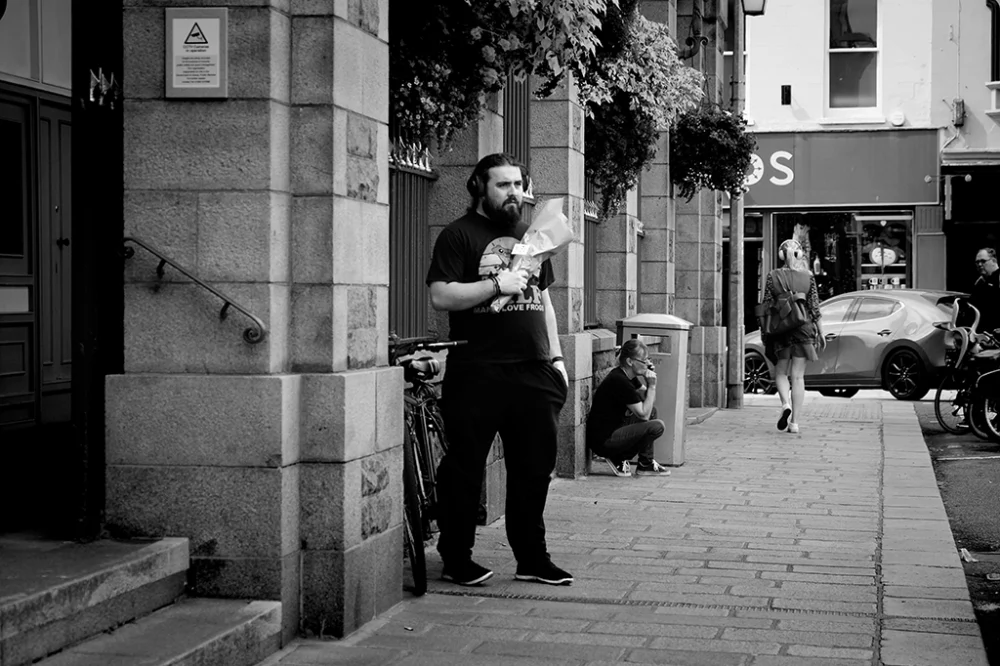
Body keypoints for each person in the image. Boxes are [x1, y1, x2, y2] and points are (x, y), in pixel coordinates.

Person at [425, 152, 572, 587]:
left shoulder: (532, 234)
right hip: (478, 371)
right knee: (466, 469)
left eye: (518, 185)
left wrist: (558, 361)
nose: (514, 193)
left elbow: (543, 302)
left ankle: (532, 558)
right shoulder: (457, 236)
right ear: (478, 186)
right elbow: (441, 296)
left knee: (533, 470)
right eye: (503, 185)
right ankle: (456, 556)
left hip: (534, 371)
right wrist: (496, 284)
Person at [761, 239, 825, 434]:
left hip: (781, 329)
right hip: (804, 329)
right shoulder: (808, 277)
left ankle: (785, 404)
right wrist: (820, 331)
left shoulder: (773, 276)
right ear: (799, 254)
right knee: (798, 377)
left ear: (781, 255)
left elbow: (766, 305)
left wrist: (765, 332)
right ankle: (795, 423)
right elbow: (814, 308)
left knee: (781, 372)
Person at [586, 339, 671, 477]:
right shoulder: (619, 380)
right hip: (604, 440)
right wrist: (653, 386)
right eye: (644, 361)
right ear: (630, 362)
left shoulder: (628, 376)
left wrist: (649, 383)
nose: (648, 364)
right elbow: (644, 414)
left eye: (648, 360)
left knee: (653, 412)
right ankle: (617, 457)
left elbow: (647, 401)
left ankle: (645, 463)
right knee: (657, 426)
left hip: (615, 428)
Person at [969, 247, 999, 335]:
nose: (979, 264)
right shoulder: (979, 282)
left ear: (993, 261)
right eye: (977, 262)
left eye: (983, 261)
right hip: (980, 336)